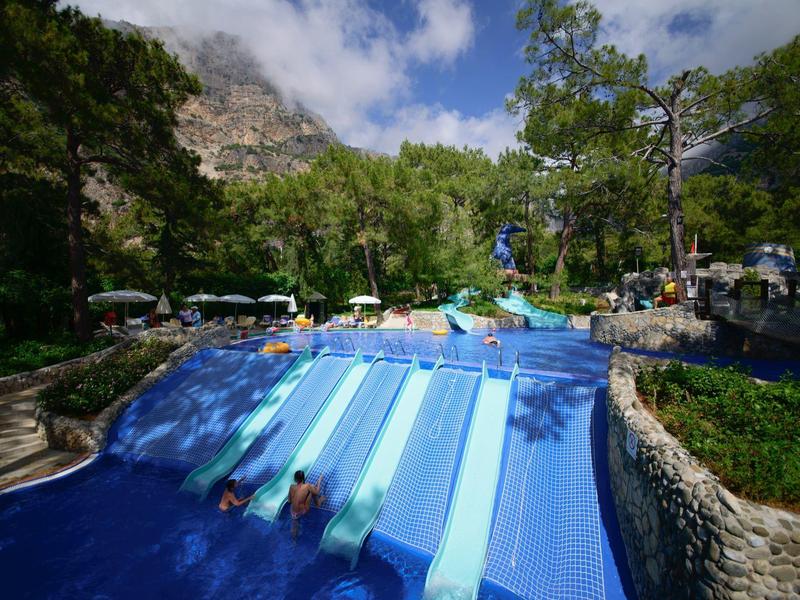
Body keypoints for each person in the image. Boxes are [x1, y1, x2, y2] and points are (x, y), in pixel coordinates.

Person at [288, 470, 324, 537]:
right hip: (302, 511)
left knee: (295, 524)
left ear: (295, 479)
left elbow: (289, 501)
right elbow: (317, 492)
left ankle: (294, 537)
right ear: (303, 478)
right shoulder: (307, 486)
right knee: (312, 490)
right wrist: (319, 480)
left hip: (292, 511)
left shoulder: (291, 486)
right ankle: (318, 503)